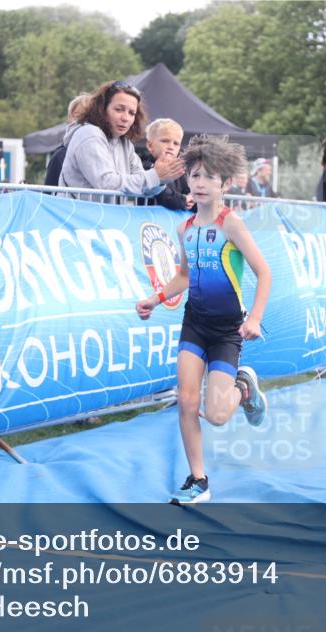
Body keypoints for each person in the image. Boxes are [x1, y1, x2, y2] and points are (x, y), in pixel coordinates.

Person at [135, 135, 271, 505]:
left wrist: (254, 318)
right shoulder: (185, 229)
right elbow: (183, 274)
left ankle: (243, 387)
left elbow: (263, 272)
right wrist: (154, 297)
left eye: (209, 177)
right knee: (186, 402)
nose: (199, 182)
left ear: (224, 184)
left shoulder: (233, 226)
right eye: (194, 175)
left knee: (216, 415)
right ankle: (198, 480)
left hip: (228, 330)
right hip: (194, 324)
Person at [60, 80, 184, 196]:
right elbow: (105, 183)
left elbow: (143, 186)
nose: (125, 118)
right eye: (119, 110)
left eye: (132, 113)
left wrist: (161, 179)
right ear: (102, 109)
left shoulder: (125, 143)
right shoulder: (88, 134)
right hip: (78, 217)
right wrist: (155, 176)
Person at [141, 118, 192, 210]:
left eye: (176, 143)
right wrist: (184, 200)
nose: (171, 147)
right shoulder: (145, 168)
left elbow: (190, 193)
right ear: (150, 145)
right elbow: (165, 196)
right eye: (165, 141)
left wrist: (193, 200)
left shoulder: (180, 171)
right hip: (148, 221)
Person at [44, 93, 90, 187]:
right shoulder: (61, 155)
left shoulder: (106, 152)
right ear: (68, 119)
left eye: (88, 118)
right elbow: (49, 193)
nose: (82, 122)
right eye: (78, 117)